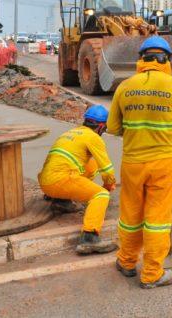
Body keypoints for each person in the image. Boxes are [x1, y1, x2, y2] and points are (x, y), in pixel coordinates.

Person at [108, 36, 172, 289]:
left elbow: (113, 127)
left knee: (130, 215)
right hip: (163, 163)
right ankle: (151, 274)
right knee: (157, 218)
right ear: (166, 60)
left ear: (141, 59)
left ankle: (126, 262)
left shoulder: (125, 86)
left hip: (133, 162)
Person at [38, 105, 117, 254]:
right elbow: (107, 170)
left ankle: (61, 201)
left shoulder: (71, 132)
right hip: (59, 181)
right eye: (104, 128)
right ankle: (89, 238)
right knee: (101, 195)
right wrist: (108, 185)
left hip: (46, 182)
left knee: (90, 164)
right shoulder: (93, 137)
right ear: (101, 126)